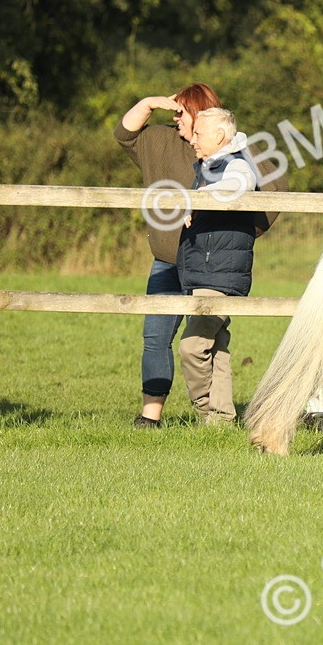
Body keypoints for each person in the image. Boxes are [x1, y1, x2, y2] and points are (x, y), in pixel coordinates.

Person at [116, 84, 221, 427]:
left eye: (182, 111)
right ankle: (151, 416)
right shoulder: (159, 140)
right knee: (155, 338)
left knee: (207, 342)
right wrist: (148, 102)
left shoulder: (224, 150)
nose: (175, 117)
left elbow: (267, 187)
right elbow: (124, 133)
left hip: (207, 262)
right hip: (167, 261)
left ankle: (215, 417)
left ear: (201, 114)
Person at [176, 108, 260, 423]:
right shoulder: (210, 165)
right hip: (210, 271)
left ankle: (203, 410)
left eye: (198, 134)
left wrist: (194, 198)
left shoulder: (235, 163)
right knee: (217, 349)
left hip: (219, 274)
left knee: (192, 347)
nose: (192, 140)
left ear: (219, 137)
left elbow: (241, 185)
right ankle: (221, 418)